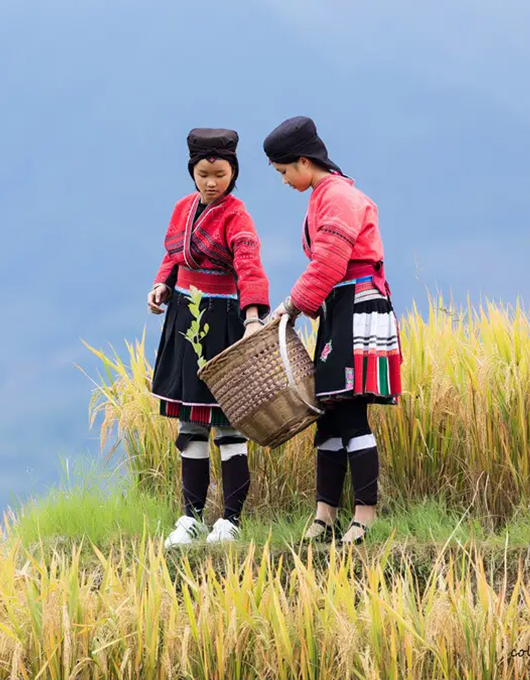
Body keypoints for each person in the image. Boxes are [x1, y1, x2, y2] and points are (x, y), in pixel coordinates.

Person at [264, 116, 402, 545]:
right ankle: (325, 513)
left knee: (351, 412)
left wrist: (289, 306)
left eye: (286, 172)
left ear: (304, 162)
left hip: (355, 306)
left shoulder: (338, 197)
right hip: (337, 307)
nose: (285, 181)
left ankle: (365, 515)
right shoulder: (324, 195)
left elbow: (328, 263)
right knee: (328, 416)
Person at [148, 128, 270, 547]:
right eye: (203, 173)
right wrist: (162, 285)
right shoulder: (183, 209)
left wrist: (252, 318)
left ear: (233, 172)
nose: (211, 182)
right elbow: (174, 257)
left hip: (224, 325)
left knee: (229, 425)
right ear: (192, 172)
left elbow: (250, 266)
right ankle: (192, 518)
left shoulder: (238, 216)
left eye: (220, 173)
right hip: (186, 320)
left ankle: (231, 521)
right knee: (190, 425)